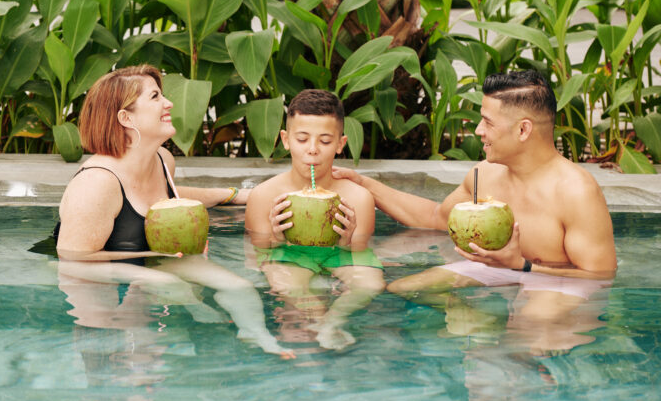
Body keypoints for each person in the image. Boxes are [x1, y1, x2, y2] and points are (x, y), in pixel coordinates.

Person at [333, 70, 617, 351]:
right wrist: (366, 184)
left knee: (529, 327)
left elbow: (600, 275)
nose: (479, 131)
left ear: (523, 129)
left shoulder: (575, 191)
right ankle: (482, 320)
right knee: (405, 287)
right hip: (501, 268)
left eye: (487, 122)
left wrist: (522, 267)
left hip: (554, 278)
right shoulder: (486, 174)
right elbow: (435, 218)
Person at [56, 64, 290, 356]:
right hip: (100, 273)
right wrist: (151, 266)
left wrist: (237, 195)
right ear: (126, 117)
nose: (168, 103)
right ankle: (197, 310)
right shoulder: (97, 183)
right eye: (155, 97)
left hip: (156, 258)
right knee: (155, 308)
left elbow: (168, 199)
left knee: (239, 287)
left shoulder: (162, 159)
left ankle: (257, 336)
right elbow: (72, 260)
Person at [245, 89, 386, 350]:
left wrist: (346, 242)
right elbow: (257, 256)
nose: (312, 150)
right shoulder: (264, 196)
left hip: (338, 254)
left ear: (340, 144)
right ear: (286, 140)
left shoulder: (358, 197)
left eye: (324, 141)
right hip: (291, 254)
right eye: (302, 139)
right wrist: (276, 240)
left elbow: (359, 252)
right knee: (285, 283)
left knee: (370, 284)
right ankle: (320, 321)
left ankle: (334, 322)